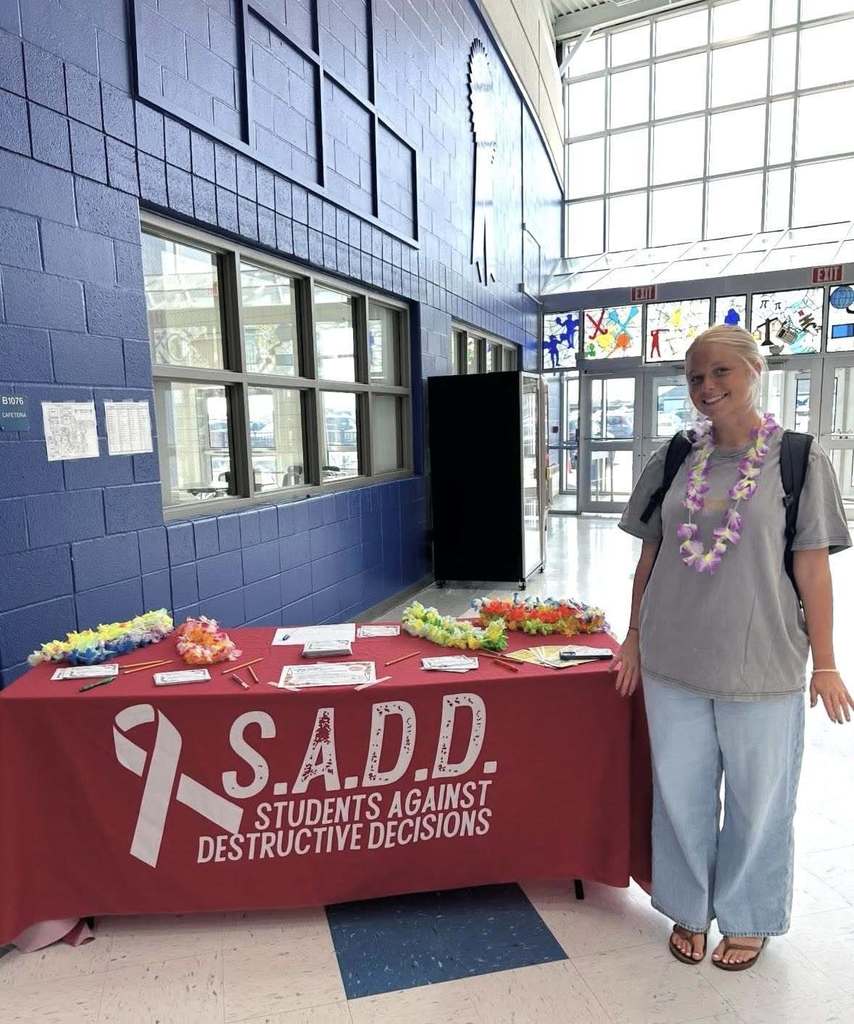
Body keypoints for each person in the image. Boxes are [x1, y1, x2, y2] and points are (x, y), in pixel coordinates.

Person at [613, 324, 852, 972]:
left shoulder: (801, 460)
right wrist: (632, 637)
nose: (706, 387)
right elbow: (650, 558)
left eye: (721, 372)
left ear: (754, 372)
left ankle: (749, 916)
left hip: (764, 664)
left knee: (760, 799)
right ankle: (688, 907)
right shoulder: (673, 458)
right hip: (672, 662)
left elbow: (814, 570)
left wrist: (825, 663)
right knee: (681, 794)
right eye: (695, 376)